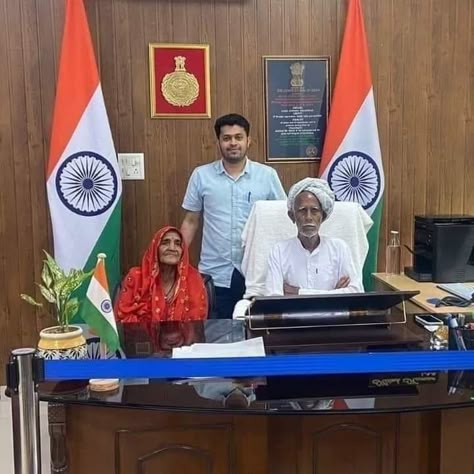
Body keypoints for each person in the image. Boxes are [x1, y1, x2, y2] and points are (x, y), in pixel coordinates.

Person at [181, 113, 286, 318]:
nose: (233, 143)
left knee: (257, 337)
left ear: (249, 141)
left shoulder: (267, 176)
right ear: (218, 142)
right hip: (215, 274)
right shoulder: (201, 175)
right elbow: (191, 221)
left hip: (258, 274)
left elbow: (282, 219)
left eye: (238, 137)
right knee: (216, 337)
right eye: (227, 138)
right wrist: (178, 263)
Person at [265, 177, 363, 296]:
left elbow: (355, 292)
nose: (309, 217)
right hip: (295, 314)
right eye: (302, 210)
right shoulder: (279, 251)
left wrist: (298, 292)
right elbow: (273, 297)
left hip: (333, 315)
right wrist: (334, 294)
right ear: (292, 216)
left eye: (315, 210)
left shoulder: (339, 248)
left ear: (323, 216)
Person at [115, 226, 208, 322]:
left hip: (184, 336)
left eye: (177, 244)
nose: (172, 248)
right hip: (142, 336)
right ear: (155, 248)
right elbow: (123, 317)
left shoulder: (193, 279)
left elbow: (198, 322)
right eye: (165, 242)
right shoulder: (136, 277)